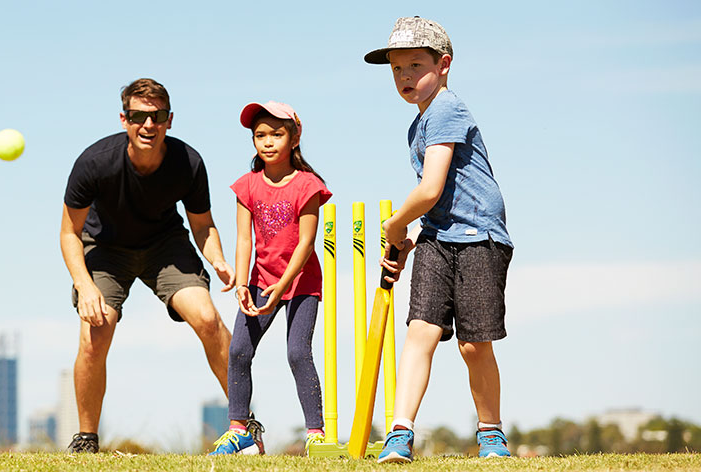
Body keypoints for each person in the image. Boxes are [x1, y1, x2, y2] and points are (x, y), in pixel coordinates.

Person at [60, 78, 263, 453]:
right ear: (124, 119)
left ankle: (246, 425)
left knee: (205, 317)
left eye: (157, 117)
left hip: (163, 246)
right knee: (97, 327)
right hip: (105, 248)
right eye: (139, 116)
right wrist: (86, 287)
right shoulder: (95, 163)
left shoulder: (188, 162)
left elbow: (203, 225)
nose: (148, 125)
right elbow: (69, 233)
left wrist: (217, 259)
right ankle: (86, 439)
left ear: (170, 120)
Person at [363, 17, 515, 463]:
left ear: (443, 64)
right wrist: (409, 240)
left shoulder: (447, 109)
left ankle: (491, 433)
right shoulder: (418, 125)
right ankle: (400, 432)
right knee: (420, 331)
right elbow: (433, 200)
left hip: (480, 236)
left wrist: (393, 226)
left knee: (473, 344)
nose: (405, 76)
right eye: (396, 69)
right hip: (437, 238)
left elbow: (429, 189)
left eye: (415, 65)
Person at [208, 101, 332, 456]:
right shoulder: (247, 185)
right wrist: (244, 284)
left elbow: (307, 243)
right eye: (260, 135)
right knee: (238, 350)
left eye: (276, 134)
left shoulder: (308, 185)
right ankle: (239, 429)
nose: (267, 142)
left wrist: (283, 286)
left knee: (297, 352)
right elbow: (244, 239)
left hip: (301, 283)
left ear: (294, 138)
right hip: (262, 281)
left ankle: (316, 433)